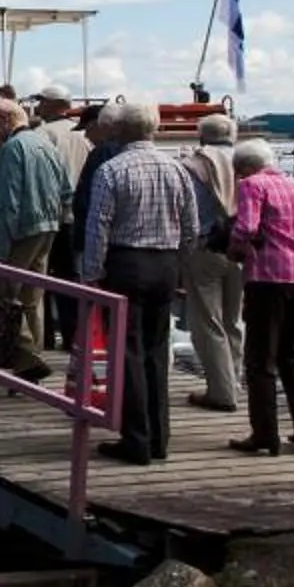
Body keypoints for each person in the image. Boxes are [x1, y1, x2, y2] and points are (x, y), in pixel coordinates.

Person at [78, 96, 196, 465]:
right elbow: (191, 226)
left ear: (119, 130)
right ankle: (159, 437)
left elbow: (98, 226)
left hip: (126, 261)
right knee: (155, 351)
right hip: (165, 263)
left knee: (126, 351)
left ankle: (137, 438)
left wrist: (92, 273)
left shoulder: (112, 170)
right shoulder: (177, 169)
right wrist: (180, 265)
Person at [228, 136, 294, 455]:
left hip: (268, 277)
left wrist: (234, 249)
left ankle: (265, 433)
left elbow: (246, 228)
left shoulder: (252, 185)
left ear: (244, 167)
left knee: (259, 359)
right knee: (289, 352)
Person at [0, 97, 63, 380]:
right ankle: (34, 356)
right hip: (48, 226)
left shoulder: (12, 148)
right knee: (33, 296)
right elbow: (66, 188)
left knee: (7, 294)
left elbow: (6, 201)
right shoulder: (46, 143)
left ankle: (27, 357)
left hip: (21, 230)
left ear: (3, 120)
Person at [182, 112, 247, 414]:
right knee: (234, 320)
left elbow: (187, 211)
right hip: (243, 248)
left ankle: (221, 391)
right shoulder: (248, 163)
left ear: (202, 136)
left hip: (206, 245)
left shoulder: (193, 165)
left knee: (208, 321)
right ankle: (234, 381)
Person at [32, 85, 94, 349]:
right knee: (70, 278)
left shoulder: (42, 134)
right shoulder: (83, 135)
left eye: (42, 101)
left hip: (50, 215)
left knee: (42, 276)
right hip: (76, 215)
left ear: (55, 104)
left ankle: (44, 335)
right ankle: (73, 335)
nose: (38, 106)